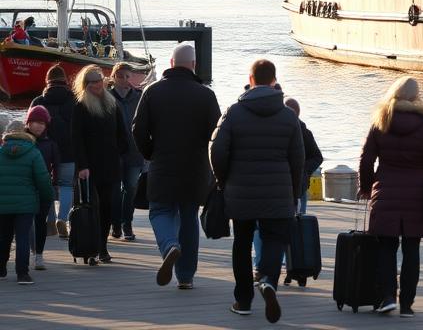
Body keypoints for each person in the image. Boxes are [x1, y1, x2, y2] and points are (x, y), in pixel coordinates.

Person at [210, 59, 304, 324]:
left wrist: (223, 178)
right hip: (278, 192)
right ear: (274, 80)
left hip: (240, 190)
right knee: (274, 238)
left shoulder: (234, 112)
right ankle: (267, 280)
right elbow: (298, 158)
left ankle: (242, 301)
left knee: (242, 242)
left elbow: (216, 149)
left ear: (250, 79)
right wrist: (294, 191)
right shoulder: (288, 116)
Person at [132, 43, 220, 289]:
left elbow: (138, 130)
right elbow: (216, 135)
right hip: (195, 170)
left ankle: (170, 245)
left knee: (159, 211)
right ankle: (186, 277)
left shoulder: (152, 91)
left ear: (171, 63)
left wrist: (150, 153)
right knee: (189, 217)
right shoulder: (206, 95)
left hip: (162, 165)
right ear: (193, 65)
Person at [359, 76, 423, 318]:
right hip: (417, 195)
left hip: (385, 192)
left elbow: (366, 160)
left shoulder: (380, 121)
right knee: (411, 249)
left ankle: (387, 297)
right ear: (416, 97)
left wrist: (367, 188)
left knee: (386, 247)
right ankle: (407, 305)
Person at [72, 64, 127, 264]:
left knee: (106, 207)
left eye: (99, 81)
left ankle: (102, 246)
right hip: (88, 167)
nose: (96, 85)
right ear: (85, 85)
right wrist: (81, 166)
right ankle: (90, 248)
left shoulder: (112, 105)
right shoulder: (80, 107)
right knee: (89, 207)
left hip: (110, 165)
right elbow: (76, 139)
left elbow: (123, 134)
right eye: (92, 82)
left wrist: (124, 155)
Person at [0, 120, 54, 285]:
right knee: (23, 237)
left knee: (3, 237)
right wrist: (47, 197)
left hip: (3, 203)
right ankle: (22, 274)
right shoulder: (33, 153)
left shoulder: (1, 151)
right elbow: (43, 179)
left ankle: (1, 269)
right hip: (26, 204)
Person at [30, 65, 75, 238]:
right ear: (65, 80)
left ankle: (49, 221)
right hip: (68, 151)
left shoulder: (38, 101)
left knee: (46, 185)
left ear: (47, 80)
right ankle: (62, 218)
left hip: (43, 151)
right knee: (65, 185)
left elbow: (30, 126)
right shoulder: (74, 100)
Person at [108, 62, 144, 241]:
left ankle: (127, 223)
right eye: (120, 76)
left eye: (127, 76)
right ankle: (115, 223)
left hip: (135, 151)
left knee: (130, 188)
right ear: (113, 77)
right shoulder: (106, 97)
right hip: (113, 152)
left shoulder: (139, 97)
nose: (123, 80)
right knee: (114, 189)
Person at [24, 105, 58, 271]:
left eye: (42, 123)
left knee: (40, 222)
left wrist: (55, 184)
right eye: (35, 122)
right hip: (25, 188)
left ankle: (39, 254)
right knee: (27, 222)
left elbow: (56, 165)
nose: (38, 125)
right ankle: (31, 251)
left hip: (44, 188)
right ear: (28, 123)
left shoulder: (50, 144)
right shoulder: (22, 141)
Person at [284, 97, 323, 215]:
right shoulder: (283, 129)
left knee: (299, 220)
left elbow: (317, 157)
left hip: (298, 185)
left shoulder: (304, 132)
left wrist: (304, 170)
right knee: (299, 222)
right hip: (292, 184)